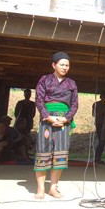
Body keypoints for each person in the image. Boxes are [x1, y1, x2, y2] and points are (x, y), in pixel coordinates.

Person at [34, 52, 78, 199]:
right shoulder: (44, 80)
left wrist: (66, 119)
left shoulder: (71, 83)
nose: (65, 67)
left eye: (67, 65)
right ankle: (40, 188)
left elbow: (74, 104)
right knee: (43, 152)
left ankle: (53, 187)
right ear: (54, 65)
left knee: (60, 153)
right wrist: (48, 116)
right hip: (47, 119)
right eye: (62, 64)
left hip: (64, 120)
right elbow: (39, 100)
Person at [92, 91, 105, 164]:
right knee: (101, 141)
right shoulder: (96, 104)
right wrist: (102, 112)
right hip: (99, 124)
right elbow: (94, 114)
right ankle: (96, 158)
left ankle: (98, 158)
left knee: (103, 141)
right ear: (101, 97)